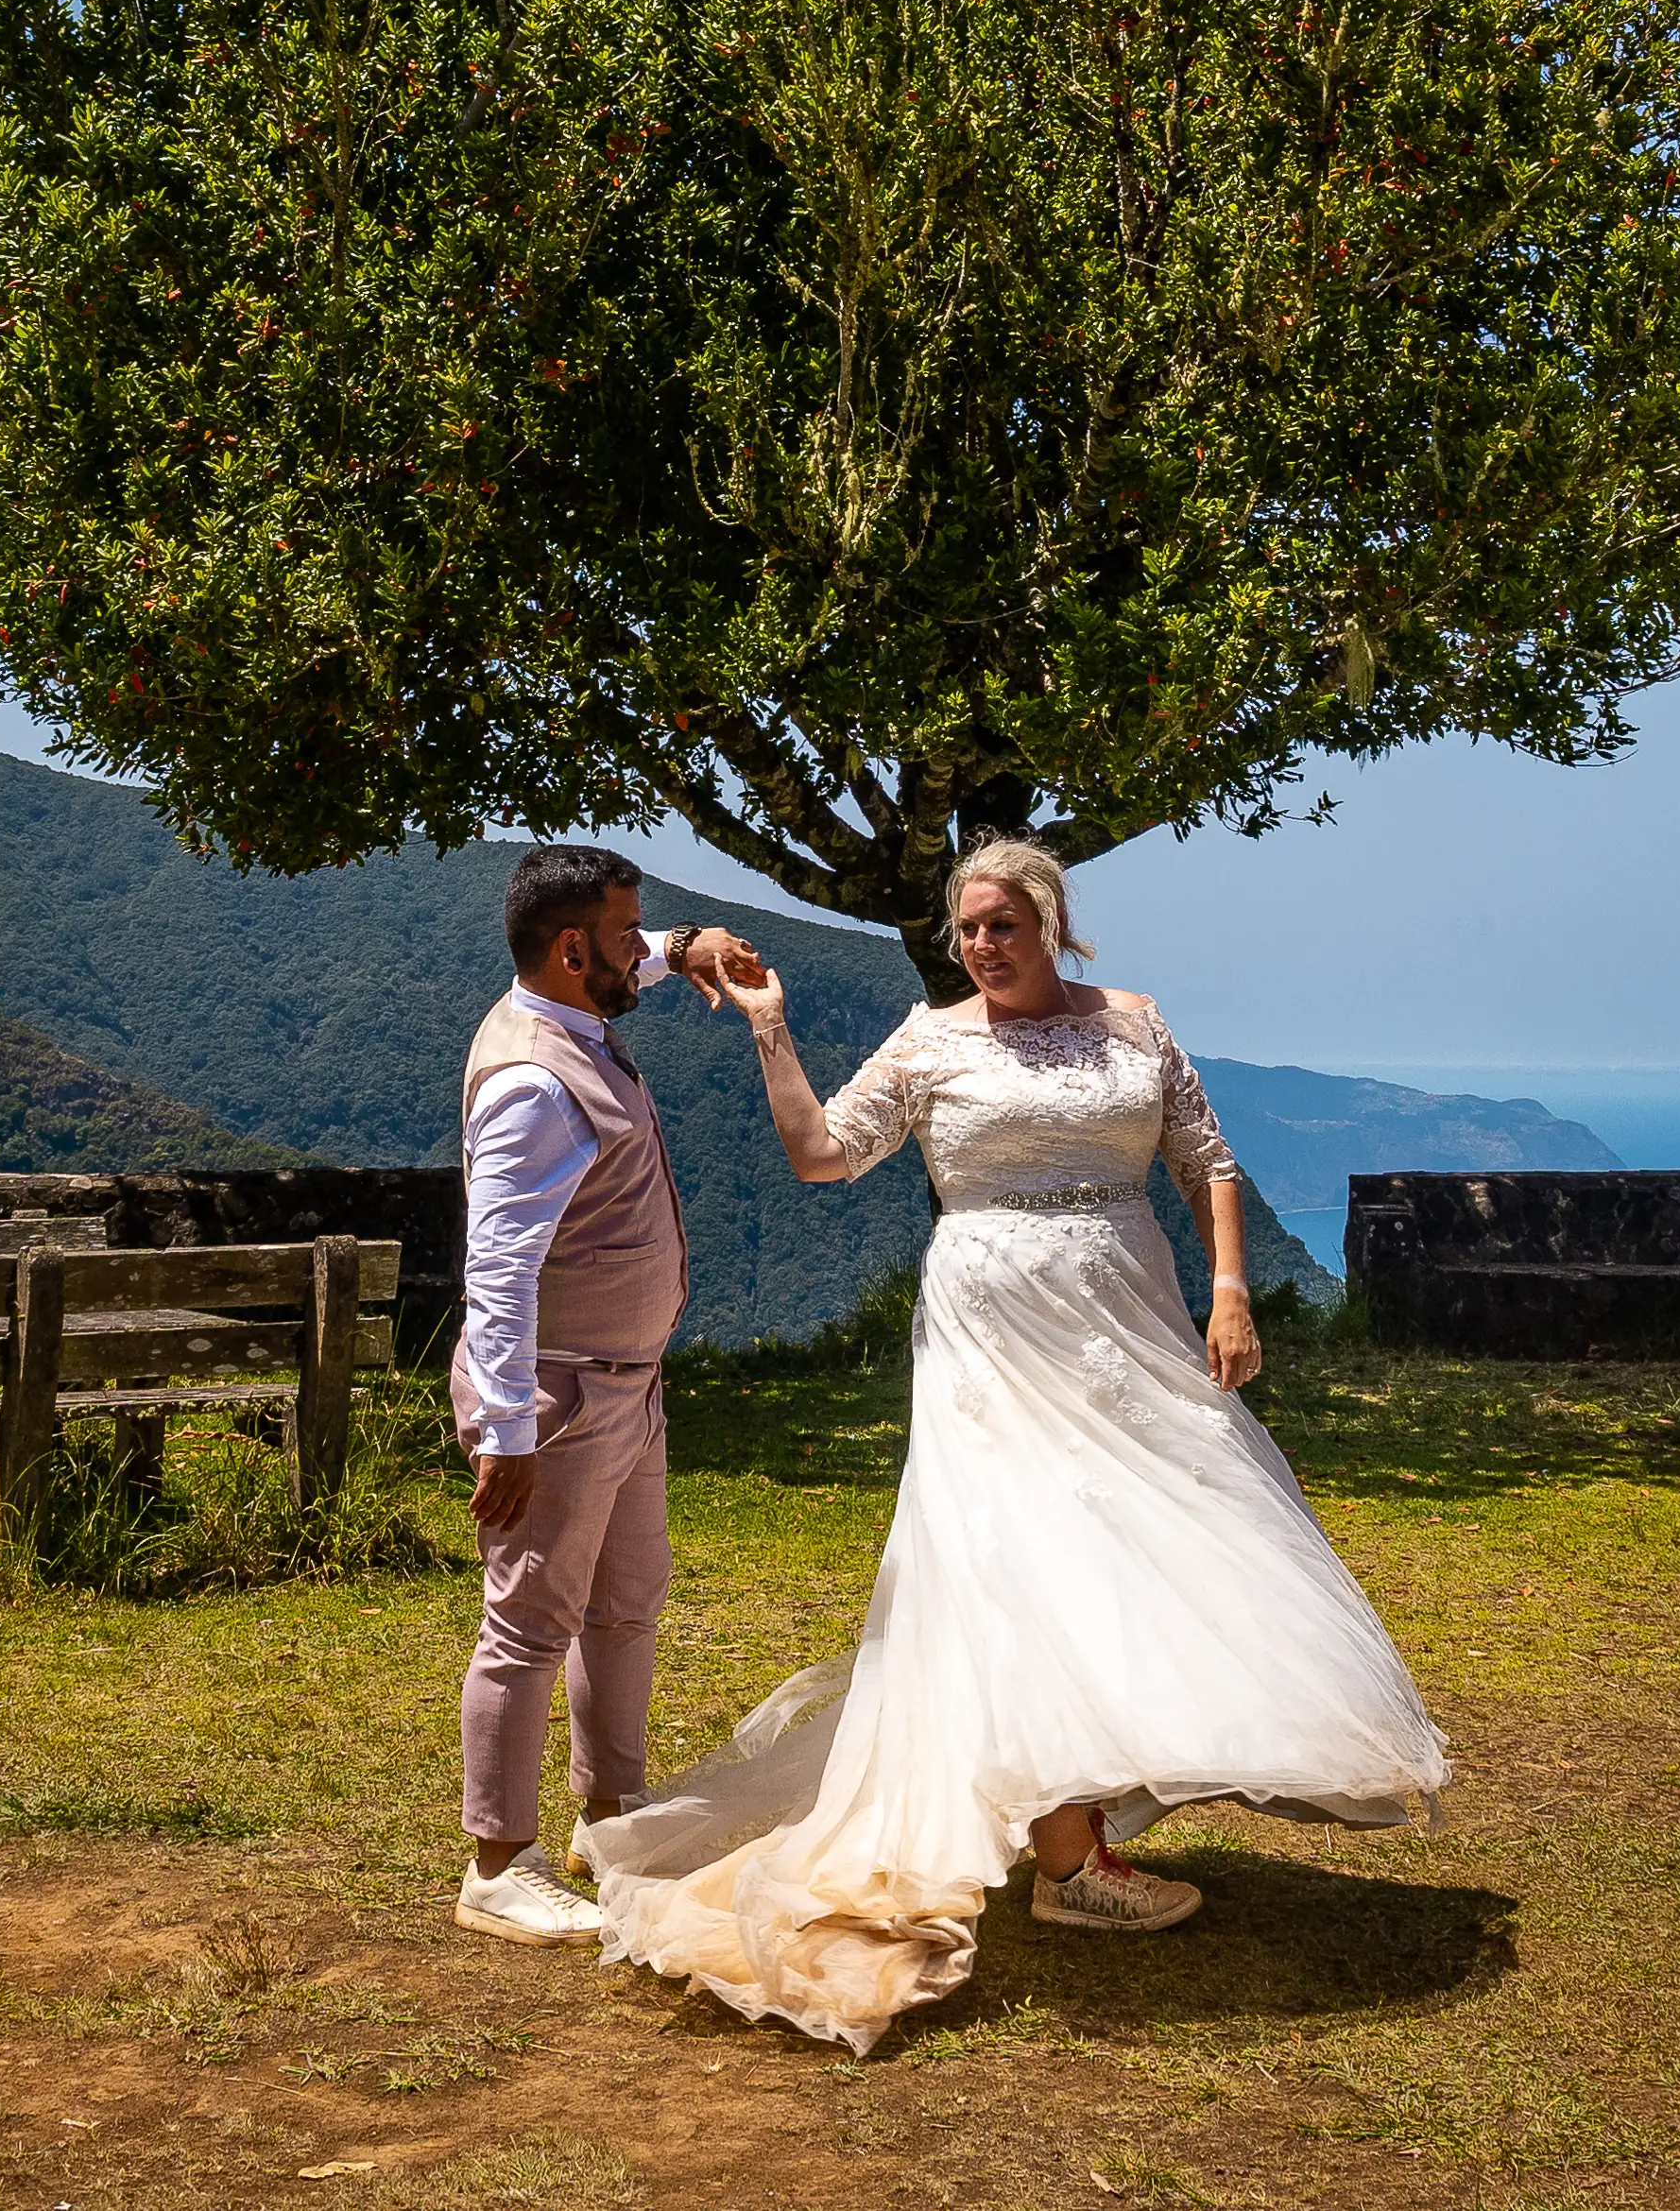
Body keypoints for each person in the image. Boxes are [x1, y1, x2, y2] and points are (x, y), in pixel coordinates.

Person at [577, 836, 1451, 2052]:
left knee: (1151, 1531)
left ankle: (1100, 1801)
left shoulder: (1134, 1024)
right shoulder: (932, 1041)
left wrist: (1233, 1290)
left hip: (1125, 1305)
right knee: (1015, 1551)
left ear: (1050, 924)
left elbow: (1206, 1161)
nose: (981, 946)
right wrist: (770, 1031)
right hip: (990, 1323)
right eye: (967, 929)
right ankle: (1066, 1854)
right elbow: (822, 1157)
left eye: (1003, 925)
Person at [446, 843, 771, 1945]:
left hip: (626, 1384)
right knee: (529, 1623)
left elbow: (631, 951)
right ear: (572, 948)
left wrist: (684, 947)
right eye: (628, 935)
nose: (646, 948)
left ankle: (613, 1815)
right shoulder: (536, 1081)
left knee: (626, 1603)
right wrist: (504, 1426)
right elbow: (495, 1266)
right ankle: (497, 1863)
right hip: (561, 1395)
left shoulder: (579, 1019)